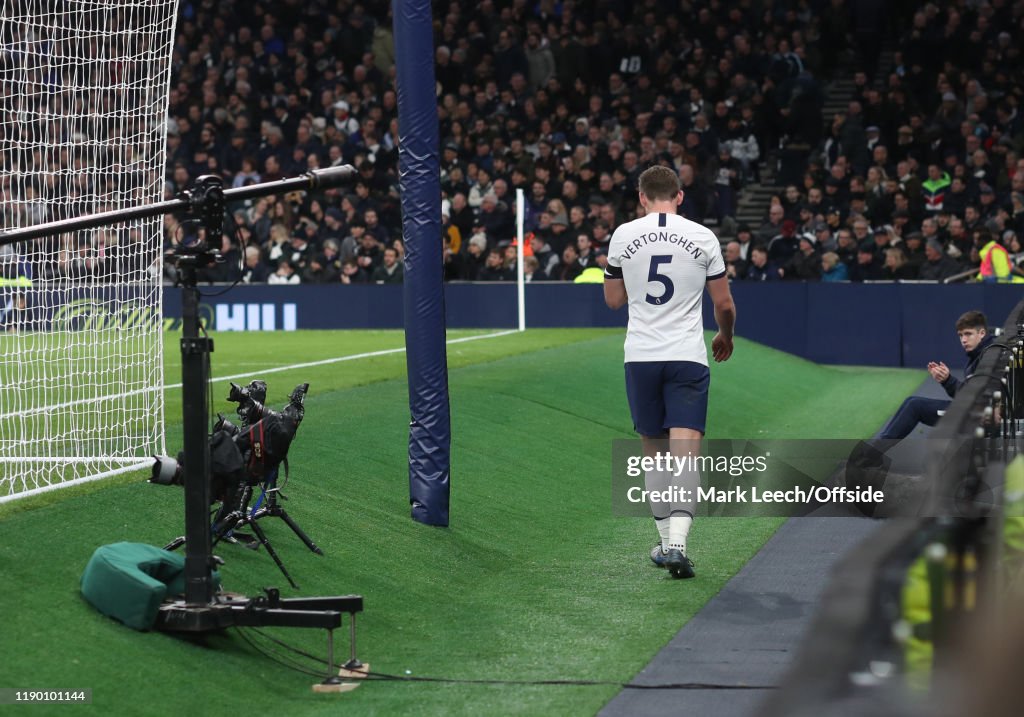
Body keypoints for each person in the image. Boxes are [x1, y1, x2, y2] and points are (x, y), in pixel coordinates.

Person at [603, 165, 736, 579]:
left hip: (641, 354)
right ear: (679, 196)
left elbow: (613, 300)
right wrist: (726, 336)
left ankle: (665, 544)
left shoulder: (623, 235)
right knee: (685, 456)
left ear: (642, 197)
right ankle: (677, 544)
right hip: (686, 355)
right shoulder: (703, 236)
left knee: (655, 457)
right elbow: (725, 304)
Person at [877, 311, 993, 440]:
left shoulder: (987, 357)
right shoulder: (981, 353)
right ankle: (874, 450)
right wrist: (946, 380)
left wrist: (948, 380)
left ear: (982, 333)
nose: (963, 340)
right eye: (960, 335)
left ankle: (871, 454)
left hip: (976, 416)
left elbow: (972, 398)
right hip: (973, 410)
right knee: (911, 401)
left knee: (914, 406)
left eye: (968, 334)